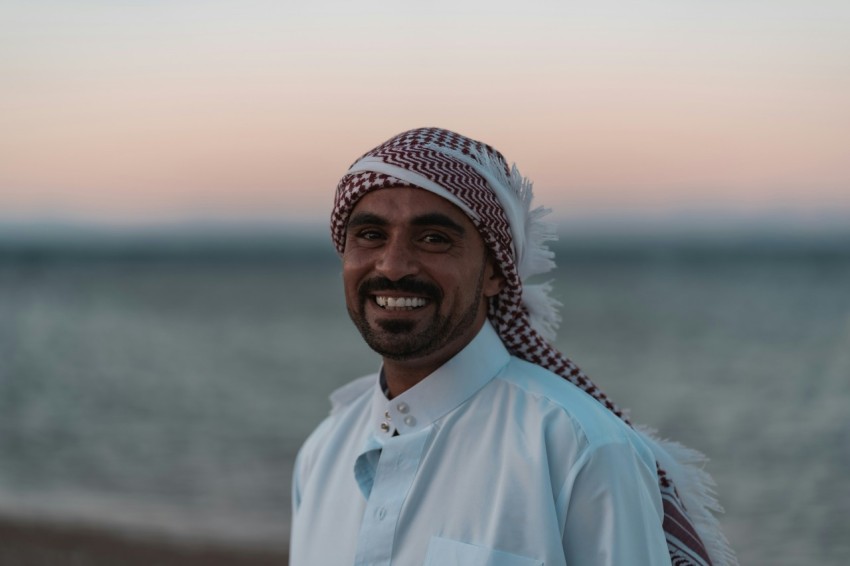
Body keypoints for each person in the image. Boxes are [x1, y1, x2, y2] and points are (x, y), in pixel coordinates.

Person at [290, 128, 736, 566]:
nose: (392, 266)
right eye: (370, 235)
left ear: (494, 273)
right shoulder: (322, 453)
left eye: (433, 239)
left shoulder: (581, 449)